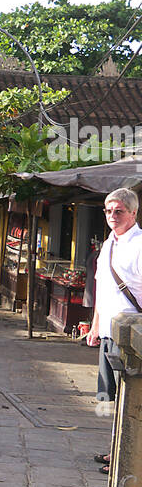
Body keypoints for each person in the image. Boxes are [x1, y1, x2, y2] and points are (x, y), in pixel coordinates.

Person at [87, 188, 142, 469]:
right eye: (108, 210)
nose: (112, 216)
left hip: (132, 337)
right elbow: (102, 287)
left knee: (132, 397)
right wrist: (95, 325)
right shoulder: (109, 243)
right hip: (109, 331)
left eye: (118, 211)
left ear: (133, 213)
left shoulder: (139, 245)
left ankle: (129, 458)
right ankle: (117, 450)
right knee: (115, 397)